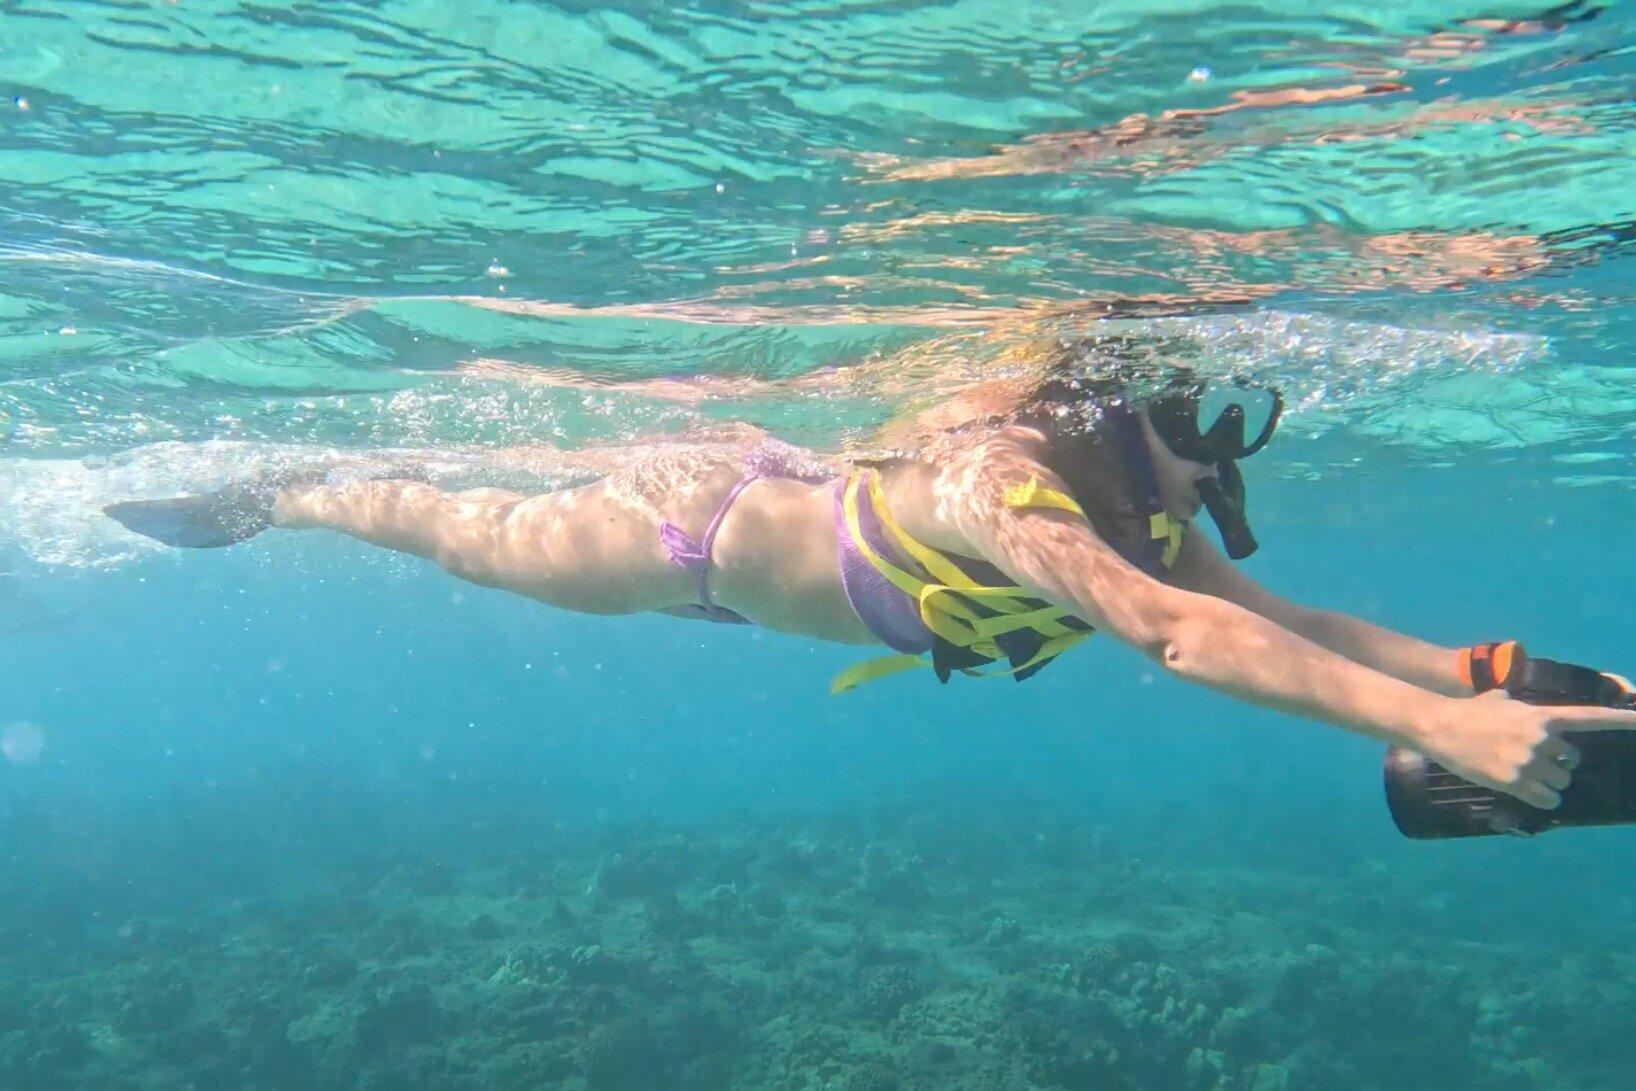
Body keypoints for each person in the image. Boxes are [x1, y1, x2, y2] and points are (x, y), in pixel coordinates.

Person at [104, 356, 1636, 816]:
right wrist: (1459, 740)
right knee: (465, 533)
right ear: (1124, 411)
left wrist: (1486, 674)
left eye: (1241, 429)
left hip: (801, 514)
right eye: (1201, 429)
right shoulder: (1005, 486)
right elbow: (1177, 639)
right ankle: (282, 493)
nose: (1219, 467)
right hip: (686, 547)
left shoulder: (1147, 509)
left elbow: (1281, 621)